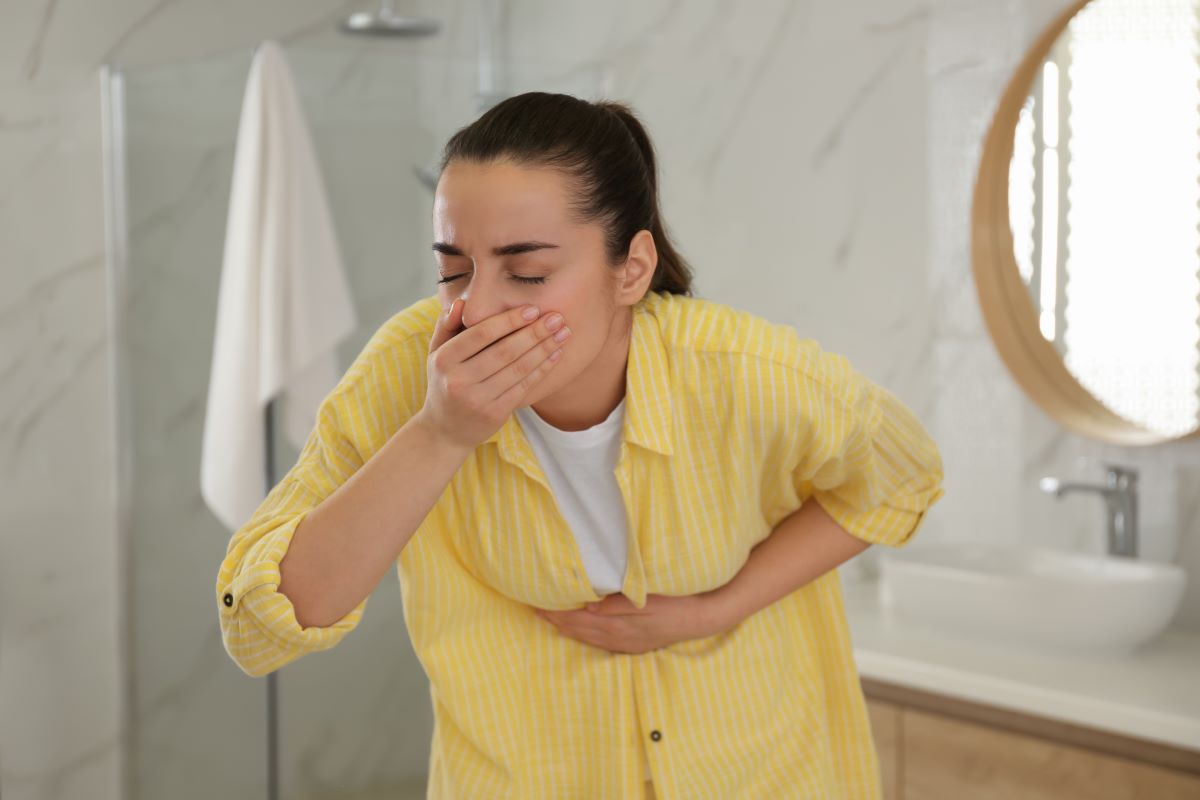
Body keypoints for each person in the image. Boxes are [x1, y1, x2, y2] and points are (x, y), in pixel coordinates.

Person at [215, 91, 946, 799]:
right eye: (452, 272)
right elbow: (259, 626)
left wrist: (716, 608)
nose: (478, 310)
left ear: (632, 269)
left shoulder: (746, 373)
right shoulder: (408, 373)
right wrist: (440, 435)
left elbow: (902, 475)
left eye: (527, 273)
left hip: (757, 769)